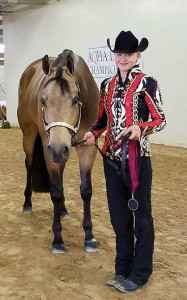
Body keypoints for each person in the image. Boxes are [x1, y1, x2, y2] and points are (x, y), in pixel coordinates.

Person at [83, 30, 166, 293]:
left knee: (141, 218)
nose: (123, 58)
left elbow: (160, 119)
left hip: (137, 160)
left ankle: (140, 273)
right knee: (119, 219)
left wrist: (141, 128)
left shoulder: (148, 83)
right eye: (119, 53)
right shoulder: (106, 84)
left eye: (128, 54)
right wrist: (92, 133)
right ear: (114, 55)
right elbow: (102, 119)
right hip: (110, 159)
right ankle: (122, 270)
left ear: (137, 55)